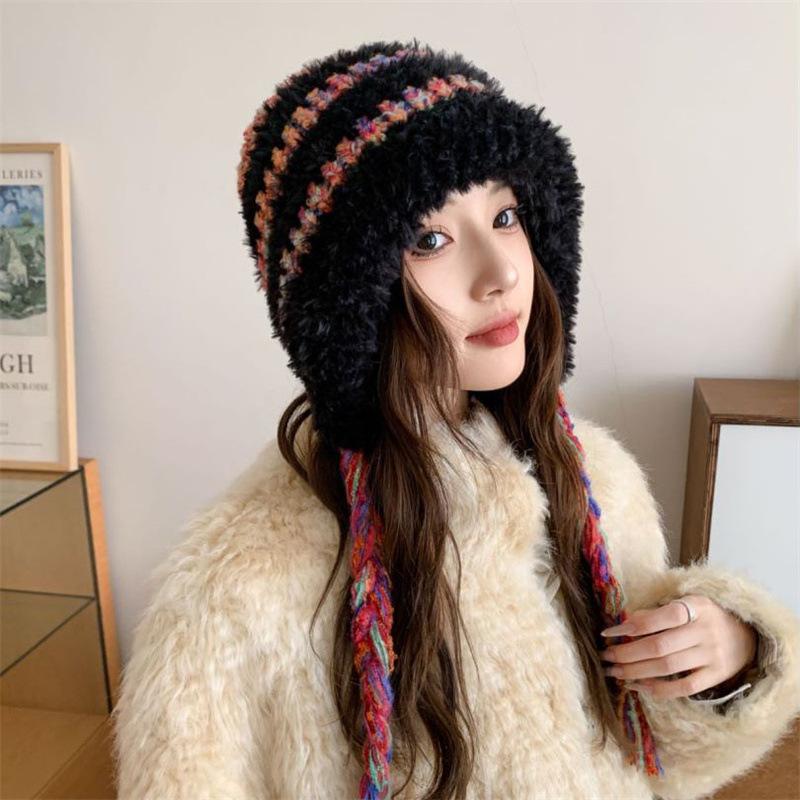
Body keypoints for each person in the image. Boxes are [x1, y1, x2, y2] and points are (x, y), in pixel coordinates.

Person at [111, 40, 800, 800]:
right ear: (349, 296)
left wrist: (730, 658)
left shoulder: (594, 483)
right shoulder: (239, 589)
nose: (501, 272)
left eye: (505, 215)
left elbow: (655, 762)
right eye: (429, 239)